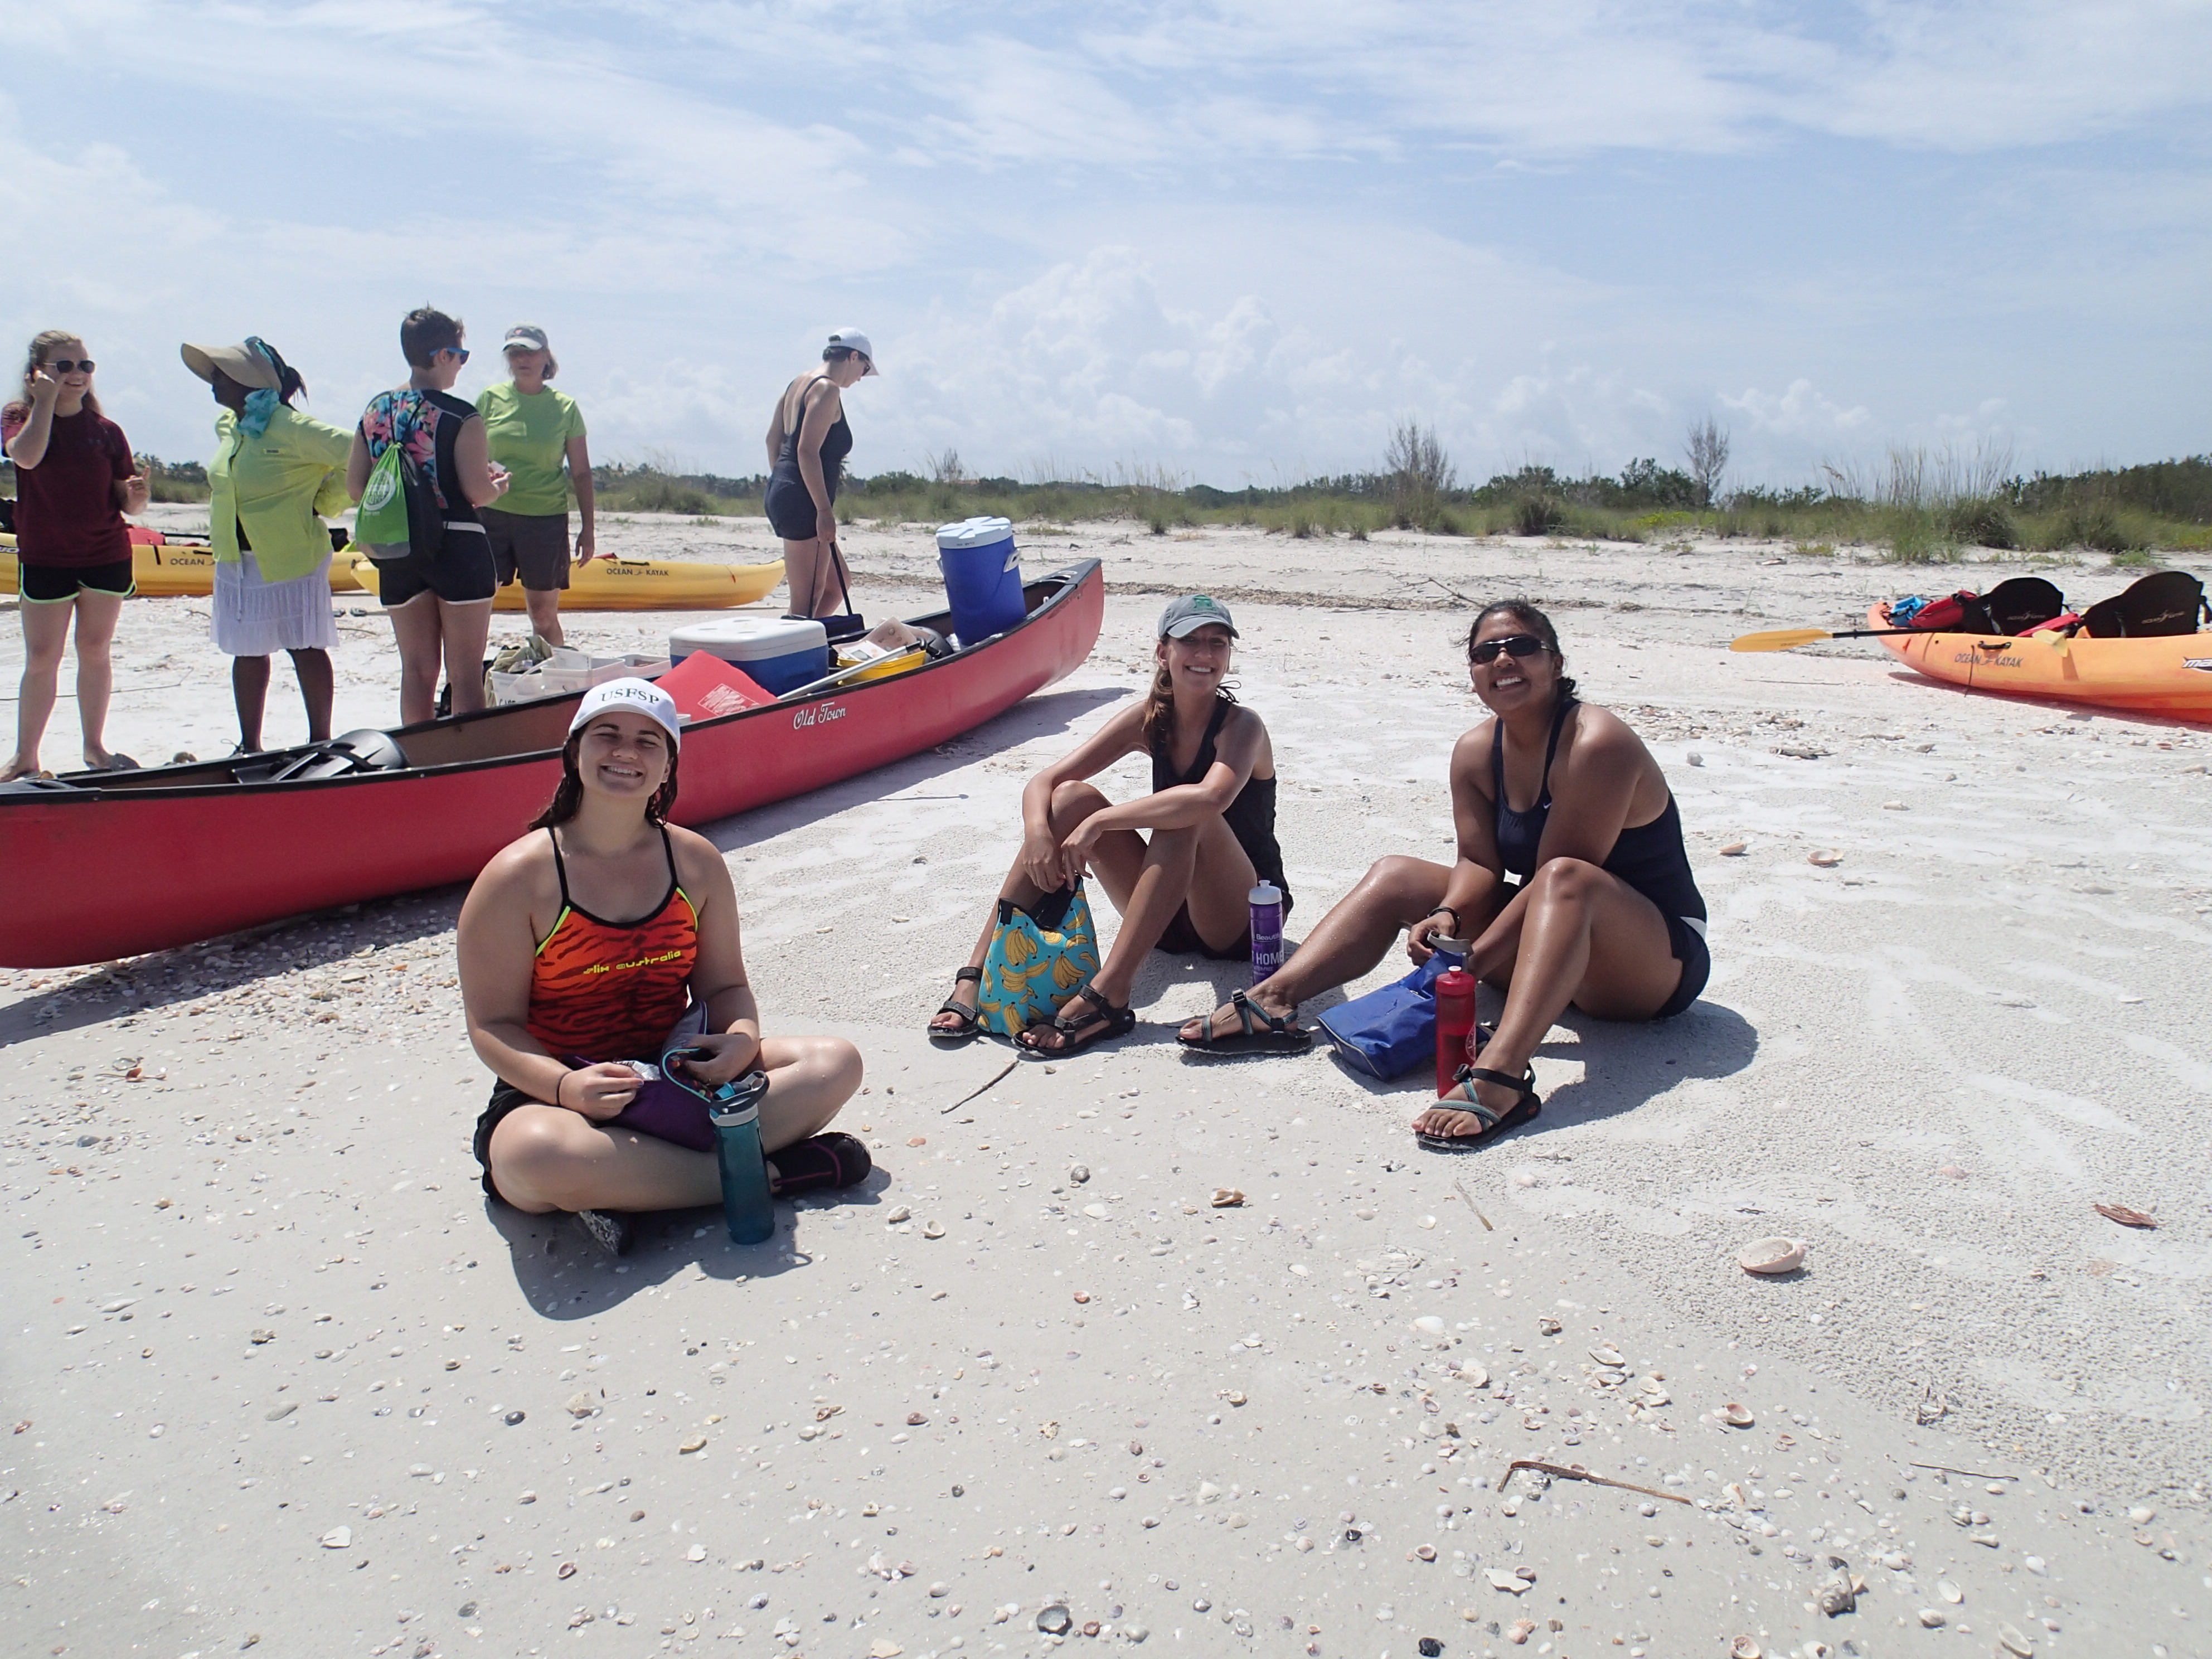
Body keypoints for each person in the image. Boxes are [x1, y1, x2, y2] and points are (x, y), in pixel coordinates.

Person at [1178, 600, 1709, 1152]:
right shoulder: (1478, 752)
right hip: (1550, 943)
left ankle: (1503, 1075)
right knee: (1397, 875)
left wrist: (1463, 969)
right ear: (1474, 675)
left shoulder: (1595, 743)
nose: (1503, 659)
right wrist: (1448, 913)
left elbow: (1554, 881)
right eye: (1486, 653)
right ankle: (1275, 1001)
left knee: (1565, 878)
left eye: (1522, 646)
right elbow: (1480, 865)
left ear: (1554, 664)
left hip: (1649, 965)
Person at [458, 677, 868, 1255]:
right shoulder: (518, 877)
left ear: (669, 768)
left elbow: (725, 986)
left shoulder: (694, 862)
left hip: (675, 1074)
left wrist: (740, 1041)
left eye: (649, 742)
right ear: (574, 752)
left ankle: (634, 1187)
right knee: (532, 1156)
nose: (626, 752)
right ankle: (769, 1175)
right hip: (557, 1090)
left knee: (834, 1063)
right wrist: (564, 1085)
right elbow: (492, 1025)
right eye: (608, 735)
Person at [928, 595, 1290, 1054]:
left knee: (1186, 815)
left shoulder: (1242, 726)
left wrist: (1102, 821)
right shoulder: (1150, 719)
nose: (1205, 654)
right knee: (1071, 799)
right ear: (1163, 653)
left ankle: (1110, 994)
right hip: (1167, 917)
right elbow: (1048, 780)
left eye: (1217, 643)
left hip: (1245, 918)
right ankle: (978, 973)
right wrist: (1039, 831)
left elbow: (1210, 797)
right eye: (1190, 641)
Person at [182, 337, 352, 752]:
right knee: (247, 650)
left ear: (247, 380)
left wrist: (323, 501)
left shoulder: (292, 428)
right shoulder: (229, 427)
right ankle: (249, 745)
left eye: (221, 373)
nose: (213, 380)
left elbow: (357, 453)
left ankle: (320, 742)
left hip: (292, 555)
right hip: (235, 558)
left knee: (304, 645)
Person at [345, 308, 507, 724]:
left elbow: (356, 488)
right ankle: (467, 765)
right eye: (461, 355)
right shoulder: (461, 415)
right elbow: (475, 491)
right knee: (465, 673)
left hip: (398, 548)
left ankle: (419, 764)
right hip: (457, 544)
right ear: (442, 356)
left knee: (417, 671)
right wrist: (498, 486)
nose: (461, 365)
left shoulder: (376, 411)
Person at [2, 330, 148, 778]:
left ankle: (95, 748)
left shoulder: (106, 432)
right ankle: (26, 756)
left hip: (105, 552)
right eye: (64, 366)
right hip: (46, 557)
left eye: (85, 366)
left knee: (95, 650)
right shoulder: (19, 416)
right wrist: (44, 402)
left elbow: (127, 503)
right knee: (43, 657)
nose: (78, 375)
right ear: (38, 372)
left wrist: (138, 495)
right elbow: (25, 458)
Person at [476, 323, 596, 648]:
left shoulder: (565, 407)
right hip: (492, 514)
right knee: (475, 608)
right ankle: (467, 685)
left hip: (544, 518)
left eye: (529, 351)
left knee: (542, 615)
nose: (522, 359)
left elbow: (582, 472)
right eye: (515, 353)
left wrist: (588, 528)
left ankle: (556, 681)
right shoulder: (490, 399)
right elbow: (468, 454)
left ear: (546, 356)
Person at [763, 329, 874, 619]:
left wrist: (783, 483)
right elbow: (807, 451)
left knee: (837, 586)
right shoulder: (827, 390)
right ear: (853, 357)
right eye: (864, 368)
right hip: (805, 501)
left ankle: (812, 640)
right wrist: (823, 509)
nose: (861, 377)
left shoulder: (796, 385)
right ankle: (790, 653)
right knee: (806, 600)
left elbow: (772, 441)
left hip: (788, 492)